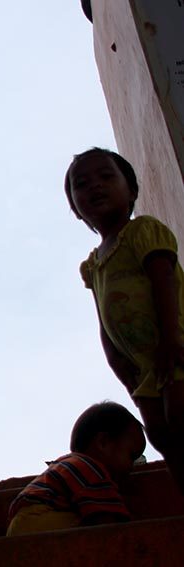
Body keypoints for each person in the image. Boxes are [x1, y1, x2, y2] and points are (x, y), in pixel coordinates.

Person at [66, 148, 184, 492]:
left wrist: (170, 339)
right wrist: (117, 361)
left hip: (174, 348)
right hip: (142, 368)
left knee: (180, 417)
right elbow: (105, 318)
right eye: (81, 184)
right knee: (161, 434)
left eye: (106, 177)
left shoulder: (142, 232)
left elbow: (164, 282)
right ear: (75, 208)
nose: (94, 187)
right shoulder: (94, 264)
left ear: (131, 190)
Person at [7, 402, 146, 535]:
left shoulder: (66, 464)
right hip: (44, 520)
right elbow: (107, 519)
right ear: (103, 442)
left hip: (20, 524)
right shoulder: (91, 469)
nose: (132, 467)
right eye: (132, 455)